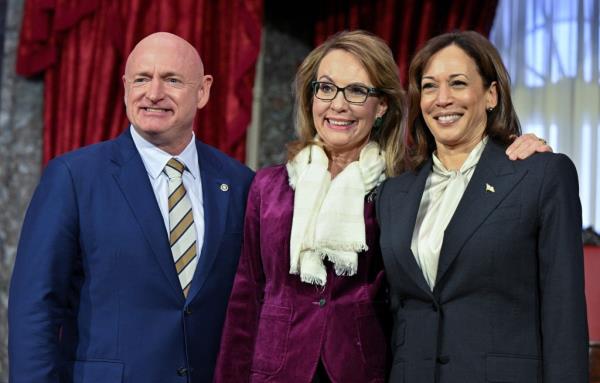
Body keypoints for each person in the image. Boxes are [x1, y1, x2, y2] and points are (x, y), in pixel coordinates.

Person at [214, 30, 549, 383]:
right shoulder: (267, 187)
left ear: (382, 106)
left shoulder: (407, 185)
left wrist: (517, 147)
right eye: (325, 88)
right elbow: (246, 295)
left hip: (364, 369)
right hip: (275, 370)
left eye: (357, 91)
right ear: (310, 97)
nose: (338, 104)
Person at [8, 32, 254, 382]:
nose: (153, 94)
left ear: (203, 91)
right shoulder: (74, 177)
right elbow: (35, 307)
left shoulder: (240, 183)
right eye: (142, 79)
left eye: (171, 80)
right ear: (125, 86)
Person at [376, 30, 588, 382]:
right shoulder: (393, 193)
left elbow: (563, 313)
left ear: (490, 94)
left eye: (458, 83)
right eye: (429, 86)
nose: (442, 99)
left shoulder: (541, 174)